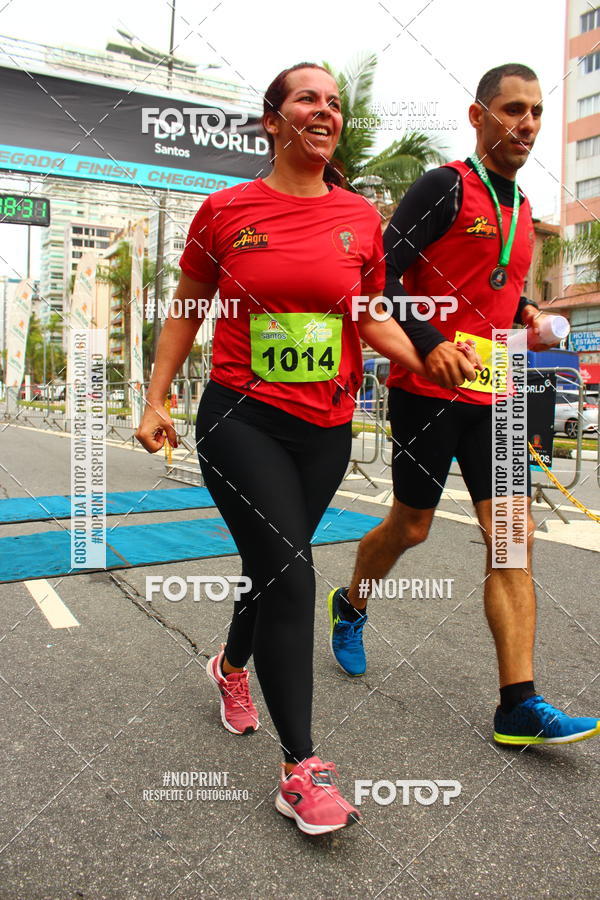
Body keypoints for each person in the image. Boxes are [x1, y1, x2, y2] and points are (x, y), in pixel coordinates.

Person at [135, 62, 480, 835]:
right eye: (307, 99)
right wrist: (156, 398)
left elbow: (370, 315)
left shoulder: (358, 217)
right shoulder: (225, 211)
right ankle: (301, 769)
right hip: (241, 420)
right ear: (273, 120)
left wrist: (425, 355)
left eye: (334, 102)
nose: (325, 111)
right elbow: (188, 309)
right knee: (292, 572)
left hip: (325, 430)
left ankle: (230, 667)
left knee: (272, 567)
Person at [328, 63, 600, 747]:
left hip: (497, 393)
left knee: (513, 536)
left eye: (536, 111)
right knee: (411, 527)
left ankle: (518, 704)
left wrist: (530, 314)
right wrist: (428, 342)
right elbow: (382, 275)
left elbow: (495, 288)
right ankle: (352, 602)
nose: (527, 124)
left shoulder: (522, 208)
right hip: (426, 391)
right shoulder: (444, 186)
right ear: (479, 116)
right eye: (513, 109)